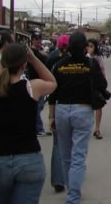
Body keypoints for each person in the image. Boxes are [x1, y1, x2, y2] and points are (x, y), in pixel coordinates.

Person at [48, 31, 107, 204]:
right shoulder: (90, 64)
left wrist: (51, 116)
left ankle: (71, 190)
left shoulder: (59, 65)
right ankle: (73, 196)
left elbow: (53, 94)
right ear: (84, 46)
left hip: (61, 110)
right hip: (83, 110)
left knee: (65, 155)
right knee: (78, 157)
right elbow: (102, 84)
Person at [0, 43, 57, 204]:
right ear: (24, 64)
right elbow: (52, 82)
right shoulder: (32, 87)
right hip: (29, 159)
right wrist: (34, 58)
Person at [46, 34, 70, 194]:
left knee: (57, 144)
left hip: (58, 104)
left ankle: (57, 180)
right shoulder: (76, 60)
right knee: (73, 145)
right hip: (72, 104)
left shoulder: (51, 59)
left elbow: (50, 87)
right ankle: (71, 176)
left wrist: (51, 114)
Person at [27, 30, 52, 136]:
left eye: (40, 39)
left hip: (41, 80)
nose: (39, 41)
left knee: (39, 106)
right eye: (36, 39)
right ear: (32, 40)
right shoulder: (32, 52)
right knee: (37, 106)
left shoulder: (40, 52)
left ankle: (35, 127)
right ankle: (38, 128)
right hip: (34, 81)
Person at [87, 38, 107, 140]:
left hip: (97, 84)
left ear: (95, 47)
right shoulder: (83, 58)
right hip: (86, 85)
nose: (89, 48)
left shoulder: (98, 58)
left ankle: (97, 128)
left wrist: (103, 85)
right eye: (88, 46)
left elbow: (102, 71)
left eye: (91, 46)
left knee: (98, 106)